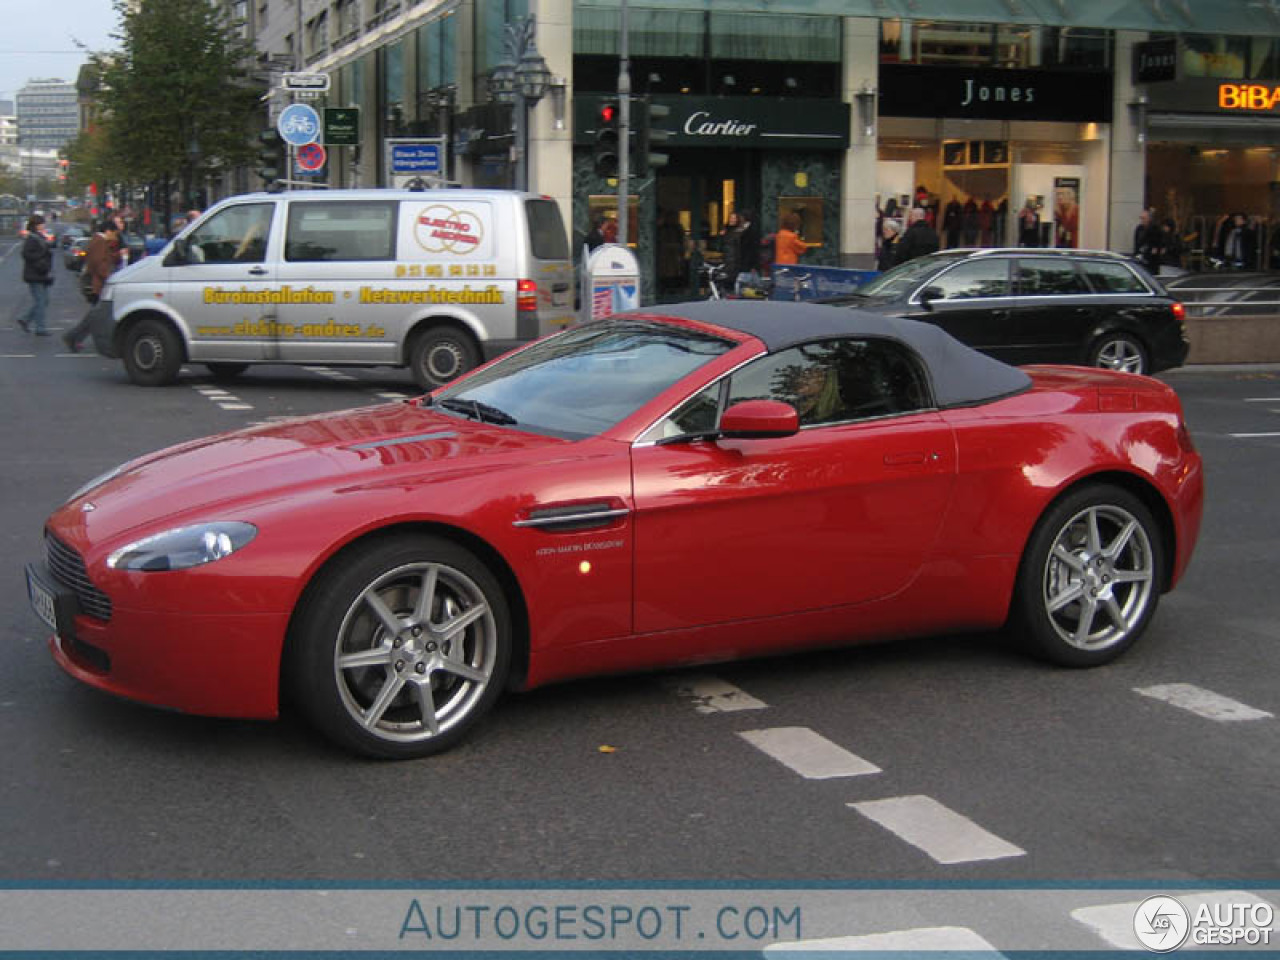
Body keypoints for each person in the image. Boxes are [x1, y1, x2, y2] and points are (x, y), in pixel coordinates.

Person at [63, 219, 123, 352]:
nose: (115, 236)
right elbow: (99, 262)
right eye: (114, 233)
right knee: (96, 316)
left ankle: (74, 337)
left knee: (96, 315)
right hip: (98, 284)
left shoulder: (100, 241)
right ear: (108, 231)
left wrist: (116, 255)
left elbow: (104, 258)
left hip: (98, 282)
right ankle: (73, 337)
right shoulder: (99, 242)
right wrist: (109, 276)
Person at [18, 214, 55, 336]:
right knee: (41, 300)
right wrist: (41, 256)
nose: (43, 225)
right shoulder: (32, 238)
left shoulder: (38, 236)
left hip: (41, 273)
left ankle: (25, 319)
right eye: (41, 224)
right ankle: (40, 328)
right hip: (35, 274)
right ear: (35, 225)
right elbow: (26, 254)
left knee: (44, 300)